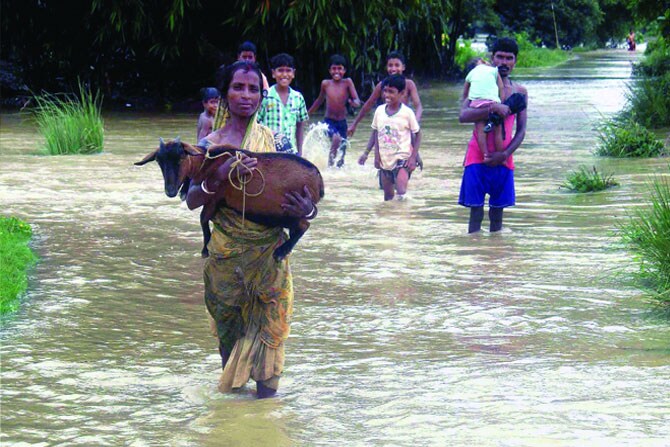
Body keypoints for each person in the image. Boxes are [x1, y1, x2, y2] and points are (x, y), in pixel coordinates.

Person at [186, 60, 316, 399]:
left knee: (270, 338)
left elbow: (303, 190)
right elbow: (191, 200)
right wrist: (221, 176)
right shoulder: (208, 146)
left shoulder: (277, 143)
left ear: (262, 96)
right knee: (230, 345)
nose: (245, 95)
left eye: (253, 89)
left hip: (270, 257)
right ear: (225, 94)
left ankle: (264, 419)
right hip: (226, 259)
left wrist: (309, 211)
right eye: (238, 88)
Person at [458, 37, 528, 233]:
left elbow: (521, 130)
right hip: (476, 157)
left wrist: (504, 154)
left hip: (503, 158)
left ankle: (496, 258)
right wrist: (493, 109)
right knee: (475, 215)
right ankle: (475, 256)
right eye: (499, 57)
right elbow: (463, 116)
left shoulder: (520, 92)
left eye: (509, 58)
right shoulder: (479, 85)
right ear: (492, 58)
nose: (503, 63)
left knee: (497, 217)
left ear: (515, 61)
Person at [351, 51, 423, 167]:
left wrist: (415, 120)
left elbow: (418, 106)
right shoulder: (382, 85)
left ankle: (415, 159)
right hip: (387, 125)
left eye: (397, 65)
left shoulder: (409, 84)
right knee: (379, 136)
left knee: (412, 139)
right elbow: (368, 105)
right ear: (386, 67)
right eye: (390, 65)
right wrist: (354, 124)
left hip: (403, 125)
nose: (393, 68)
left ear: (403, 67)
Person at [370, 74, 421, 201]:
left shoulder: (407, 113)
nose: (387, 95)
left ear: (402, 93)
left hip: (402, 158)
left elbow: (418, 134)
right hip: (385, 159)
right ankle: (390, 219)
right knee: (388, 197)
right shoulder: (379, 111)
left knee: (401, 193)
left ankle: (404, 218)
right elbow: (376, 133)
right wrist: (376, 156)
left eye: (391, 92)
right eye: (385, 91)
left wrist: (413, 157)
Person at [307, 54, 361, 167]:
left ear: (344, 70)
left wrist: (354, 103)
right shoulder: (326, 84)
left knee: (342, 152)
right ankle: (330, 166)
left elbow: (357, 100)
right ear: (329, 70)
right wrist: (307, 114)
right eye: (334, 68)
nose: (337, 71)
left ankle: (337, 176)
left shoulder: (347, 82)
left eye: (340, 68)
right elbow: (319, 100)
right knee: (336, 139)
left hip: (342, 122)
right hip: (328, 122)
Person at [257, 53, 309, 156]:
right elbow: (256, 124)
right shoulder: (265, 96)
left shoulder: (298, 98)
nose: (284, 74)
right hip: (268, 151)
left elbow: (300, 126)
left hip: (291, 152)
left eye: (288, 70)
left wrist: (300, 152)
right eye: (280, 70)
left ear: (293, 73)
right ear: (273, 73)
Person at [462, 58, 505, 158]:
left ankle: (485, 155)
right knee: (498, 130)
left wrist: (466, 103)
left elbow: (465, 92)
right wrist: (501, 103)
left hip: (477, 104)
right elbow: (501, 87)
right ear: (484, 63)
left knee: (481, 132)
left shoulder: (471, 73)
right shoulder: (493, 70)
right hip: (492, 102)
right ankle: (500, 155)